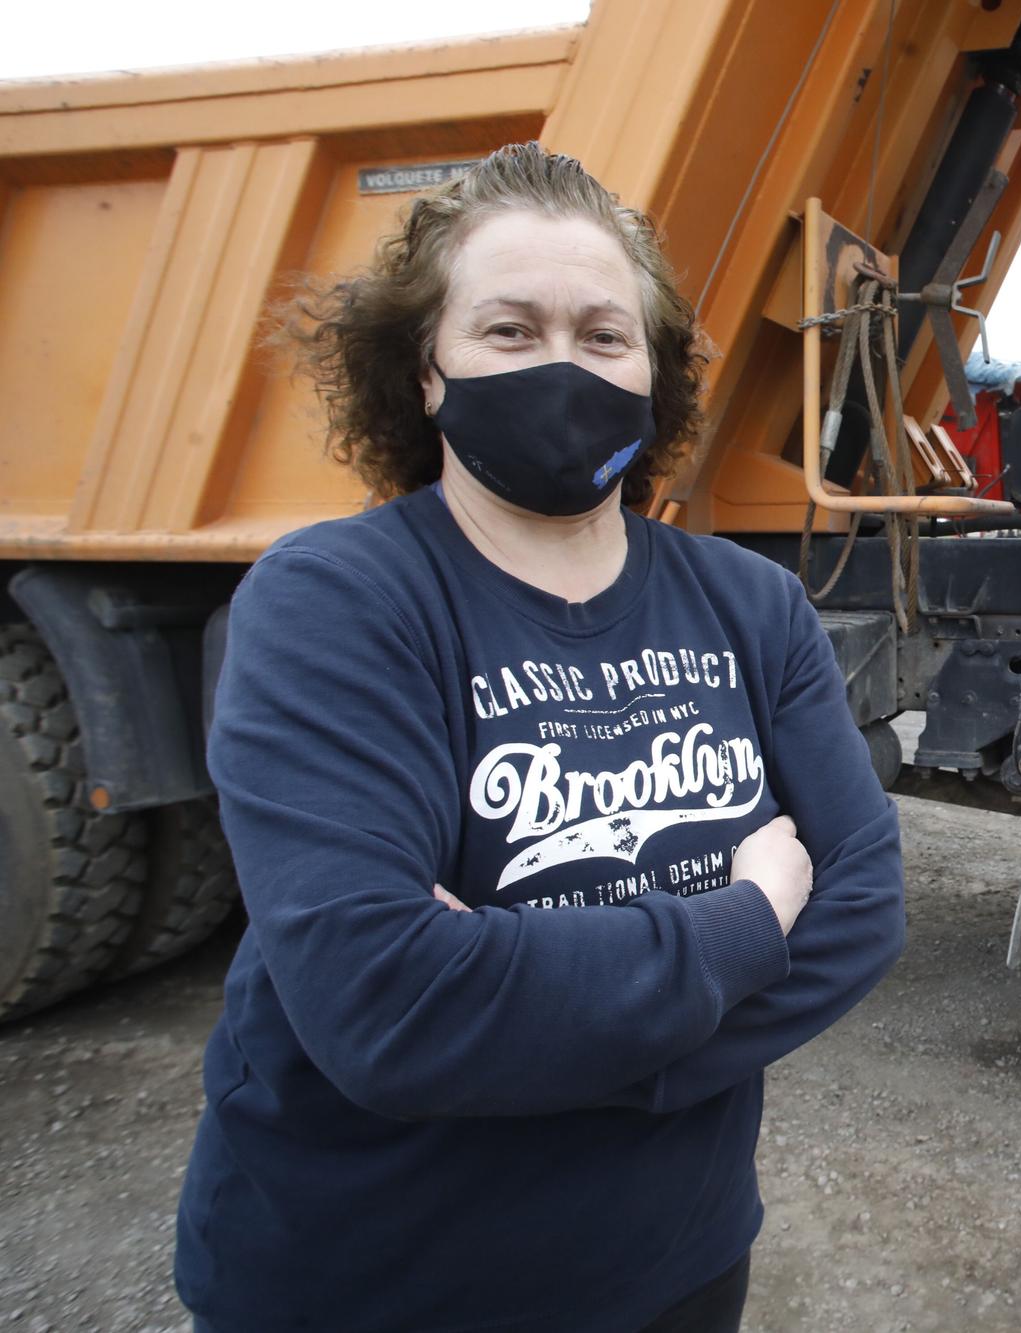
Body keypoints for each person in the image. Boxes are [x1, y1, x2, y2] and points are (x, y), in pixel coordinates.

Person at [174, 142, 906, 1333]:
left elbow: (864, 907)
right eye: (509, 331)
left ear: (653, 374)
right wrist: (742, 922)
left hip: (673, 1264)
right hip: (370, 1281)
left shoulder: (748, 605)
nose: (561, 366)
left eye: (603, 336)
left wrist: (542, 1019)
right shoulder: (337, 601)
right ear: (424, 373)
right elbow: (388, 1002)